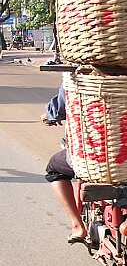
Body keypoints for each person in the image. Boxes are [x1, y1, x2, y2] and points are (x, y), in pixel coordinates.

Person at [41, 85, 87, 243]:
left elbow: (63, 102)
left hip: (97, 155)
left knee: (53, 169)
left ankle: (77, 225)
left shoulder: (80, 71)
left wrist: (50, 114)